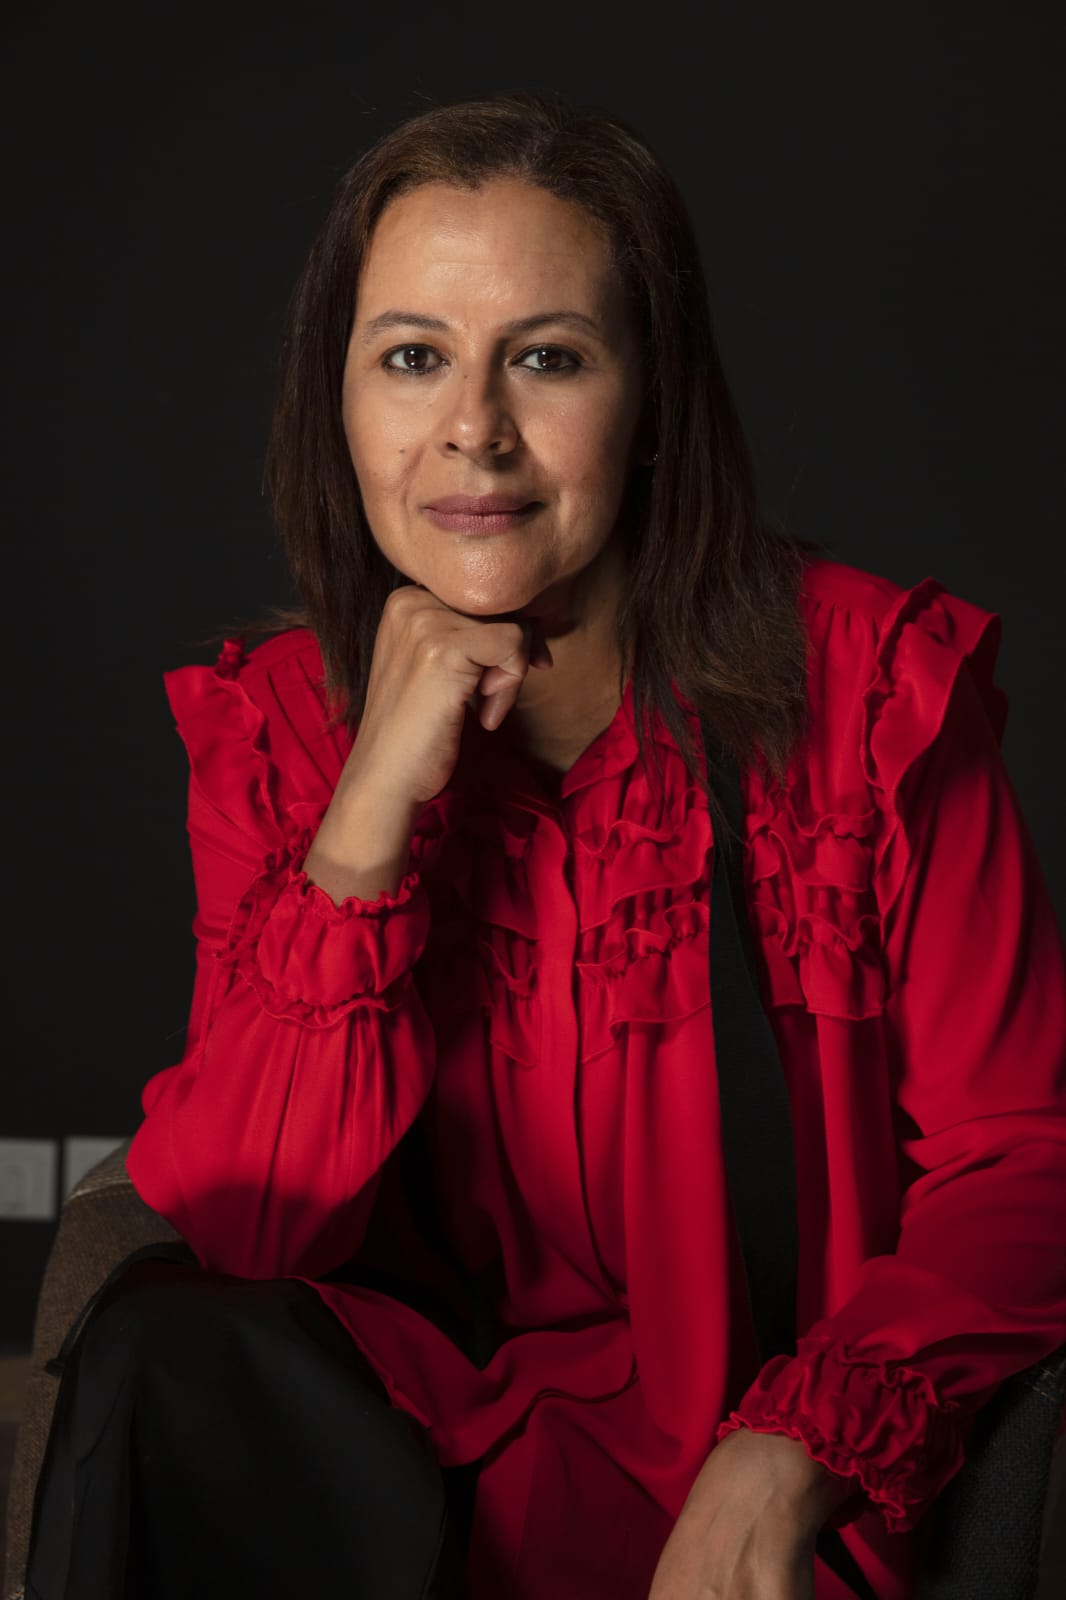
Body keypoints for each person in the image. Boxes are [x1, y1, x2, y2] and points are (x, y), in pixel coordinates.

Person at [24, 89, 1066, 1600]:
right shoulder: (279, 731)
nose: (473, 428)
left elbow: (1024, 1160)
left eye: (548, 357)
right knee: (161, 1349)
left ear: (651, 406)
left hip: (754, 1479)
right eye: (411, 357)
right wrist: (368, 817)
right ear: (339, 403)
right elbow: (250, 1226)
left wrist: (794, 1450)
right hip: (409, 1468)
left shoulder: (869, 695)